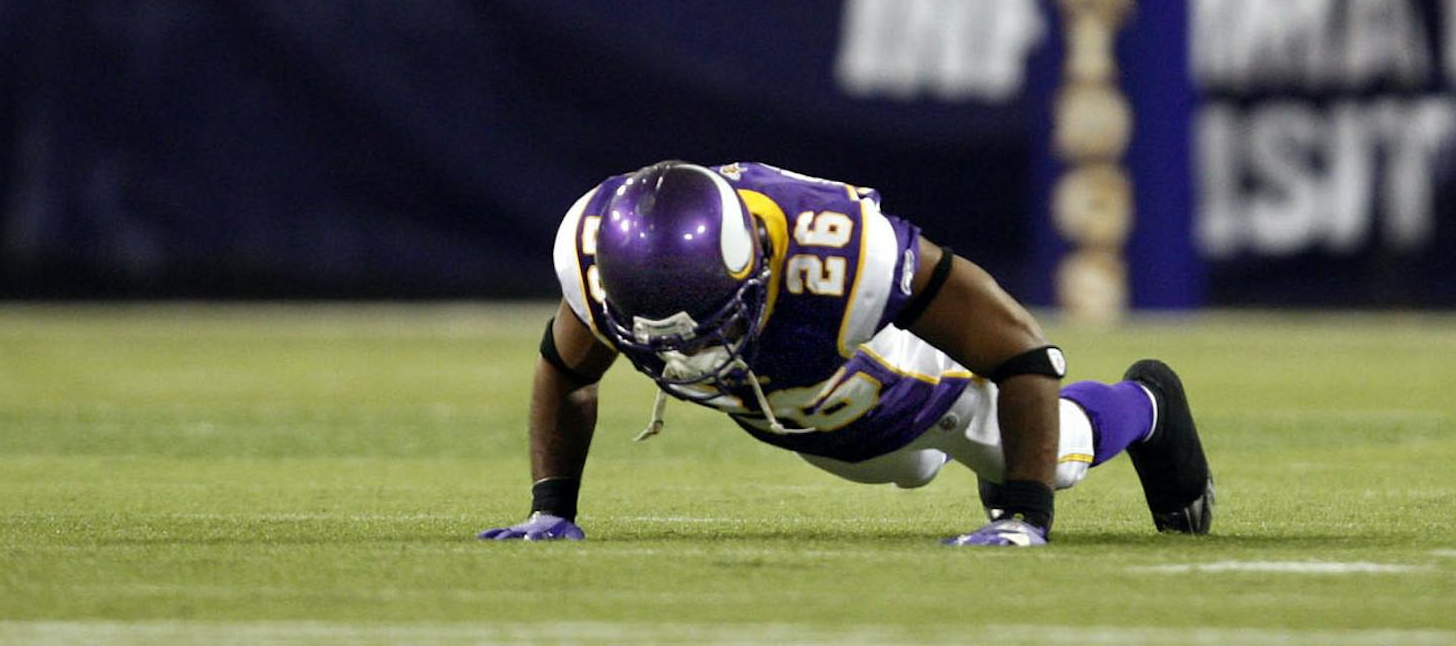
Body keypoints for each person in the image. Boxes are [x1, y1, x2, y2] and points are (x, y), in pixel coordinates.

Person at [477, 159, 1213, 547]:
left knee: (1046, 457)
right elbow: (567, 373)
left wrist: (1024, 516)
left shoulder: (841, 255)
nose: (692, 357)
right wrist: (551, 510)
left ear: (756, 265)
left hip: (885, 370)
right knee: (901, 464)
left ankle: (1148, 402)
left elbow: (1022, 351)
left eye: (707, 328)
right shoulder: (596, 258)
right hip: (807, 419)